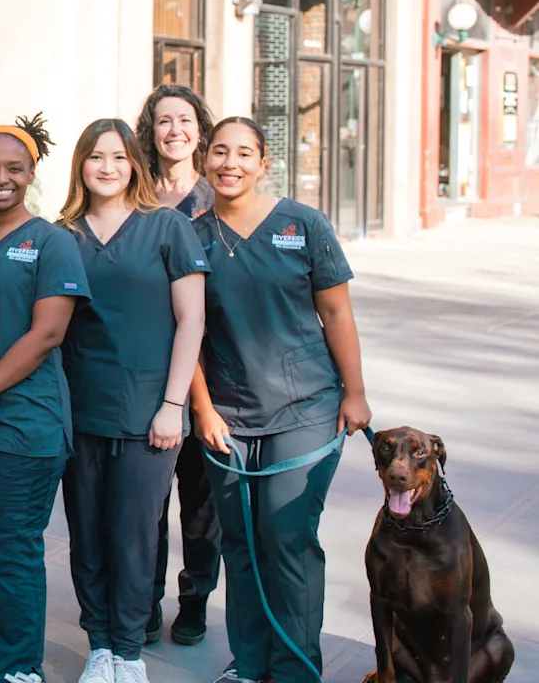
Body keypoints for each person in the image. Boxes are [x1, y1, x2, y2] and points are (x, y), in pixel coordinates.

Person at [191, 117, 372, 683]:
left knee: (286, 535)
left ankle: (295, 670)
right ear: (204, 160)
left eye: (244, 153)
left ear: (264, 162)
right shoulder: (189, 234)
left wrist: (356, 393)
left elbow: (337, 312)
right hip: (228, 415)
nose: (230, 164)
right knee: (240, 541)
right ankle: (249, 665)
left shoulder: (303, 224)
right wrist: (202, 408)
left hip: (307, 406)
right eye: (219, 152)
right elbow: (184, 329)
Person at [58, 118, 207, 683]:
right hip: (80, 406)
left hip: (151, 408)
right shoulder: (62, 233)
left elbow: (192, 319)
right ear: (81, 165)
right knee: (87, 531)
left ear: (134, 165)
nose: (108, 167)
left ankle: (128, 649)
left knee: (137, 530)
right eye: (96, 157)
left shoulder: (166, 228)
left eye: (119, 157)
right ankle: (99, 645)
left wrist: (174, 405)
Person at [0, 115, 88, 683]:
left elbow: (47, 333)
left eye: (14, 168)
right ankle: (7, 647)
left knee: (14, 548)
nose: (0, 178)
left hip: (26, 421)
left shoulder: (52, 243)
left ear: (31, 172)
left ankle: (20, 668)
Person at [134, 83, 220, 648]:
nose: (174, 131)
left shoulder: (221, 195)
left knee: (200, 500)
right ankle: (144, 601)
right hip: (149, 369)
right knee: (147, 501)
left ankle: (194, 600)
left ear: (199, 128)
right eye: (163, 121)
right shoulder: (135, 195)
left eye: (184, 120)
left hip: (212, 371)